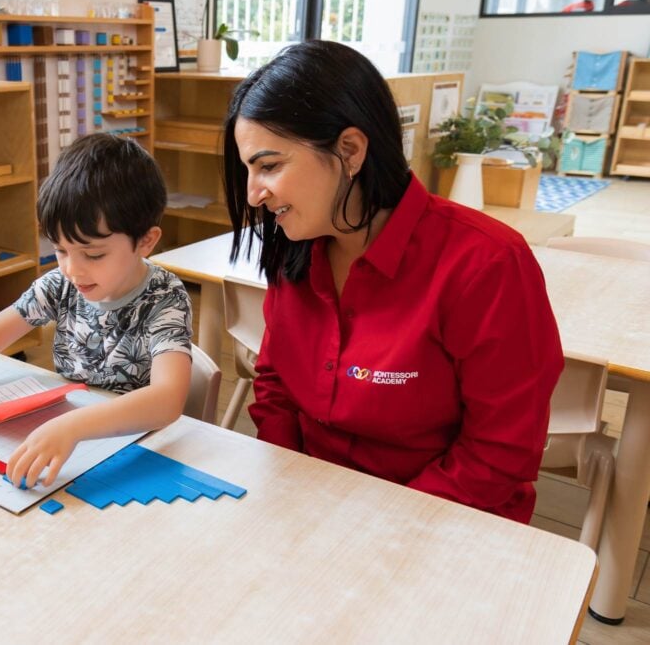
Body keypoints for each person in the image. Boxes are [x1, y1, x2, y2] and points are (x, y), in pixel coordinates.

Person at [222, 41, 563, 523]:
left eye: (270, 166)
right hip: (315, 507)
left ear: (350, 150)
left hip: (447, 522)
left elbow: (498, 453)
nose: (254, 194)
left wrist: (381, 526)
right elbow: (276, 388)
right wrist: (292, 490)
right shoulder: (296, 247)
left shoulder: (486, 263)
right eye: (249, 170)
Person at [0, 133, 193, 490]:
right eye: (60, 250)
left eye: (93, 254)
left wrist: (74, 426)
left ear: (146, 241)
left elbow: (167, 400)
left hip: (136, 446)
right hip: (67, 433)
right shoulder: (61, 285)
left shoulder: (164, 297)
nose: (72, 269)